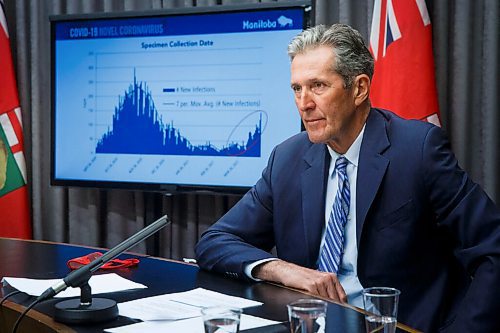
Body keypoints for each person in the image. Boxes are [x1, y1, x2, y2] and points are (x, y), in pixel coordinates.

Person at [195, 24, 500, 332]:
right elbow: (215, 242)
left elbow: (493, 248)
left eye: (317, 86)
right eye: (296, 89)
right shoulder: (286, 159)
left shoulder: (418, 150)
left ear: (359, 89)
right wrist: (283, 270)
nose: (304, 103)